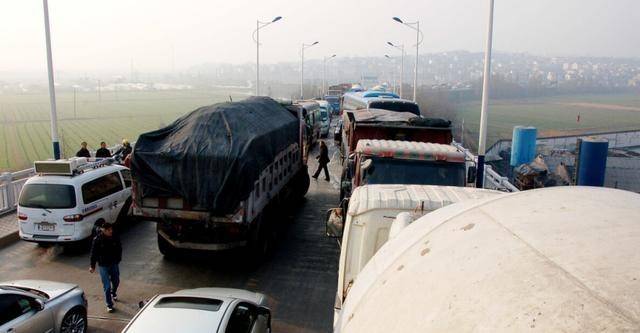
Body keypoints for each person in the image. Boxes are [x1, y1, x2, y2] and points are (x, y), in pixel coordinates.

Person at [89, 223, 122, 313]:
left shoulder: (115, 237)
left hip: (114, 264)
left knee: (116, 281)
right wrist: (92, 266)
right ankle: (109, 304)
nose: (111, 231)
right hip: (103, 266)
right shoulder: (97, 240)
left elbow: (119, 248)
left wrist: (118, 259)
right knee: (106, 286)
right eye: (109, 230)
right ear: (104, 230)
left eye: (111, 229)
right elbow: (93, 254)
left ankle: (113, 292)